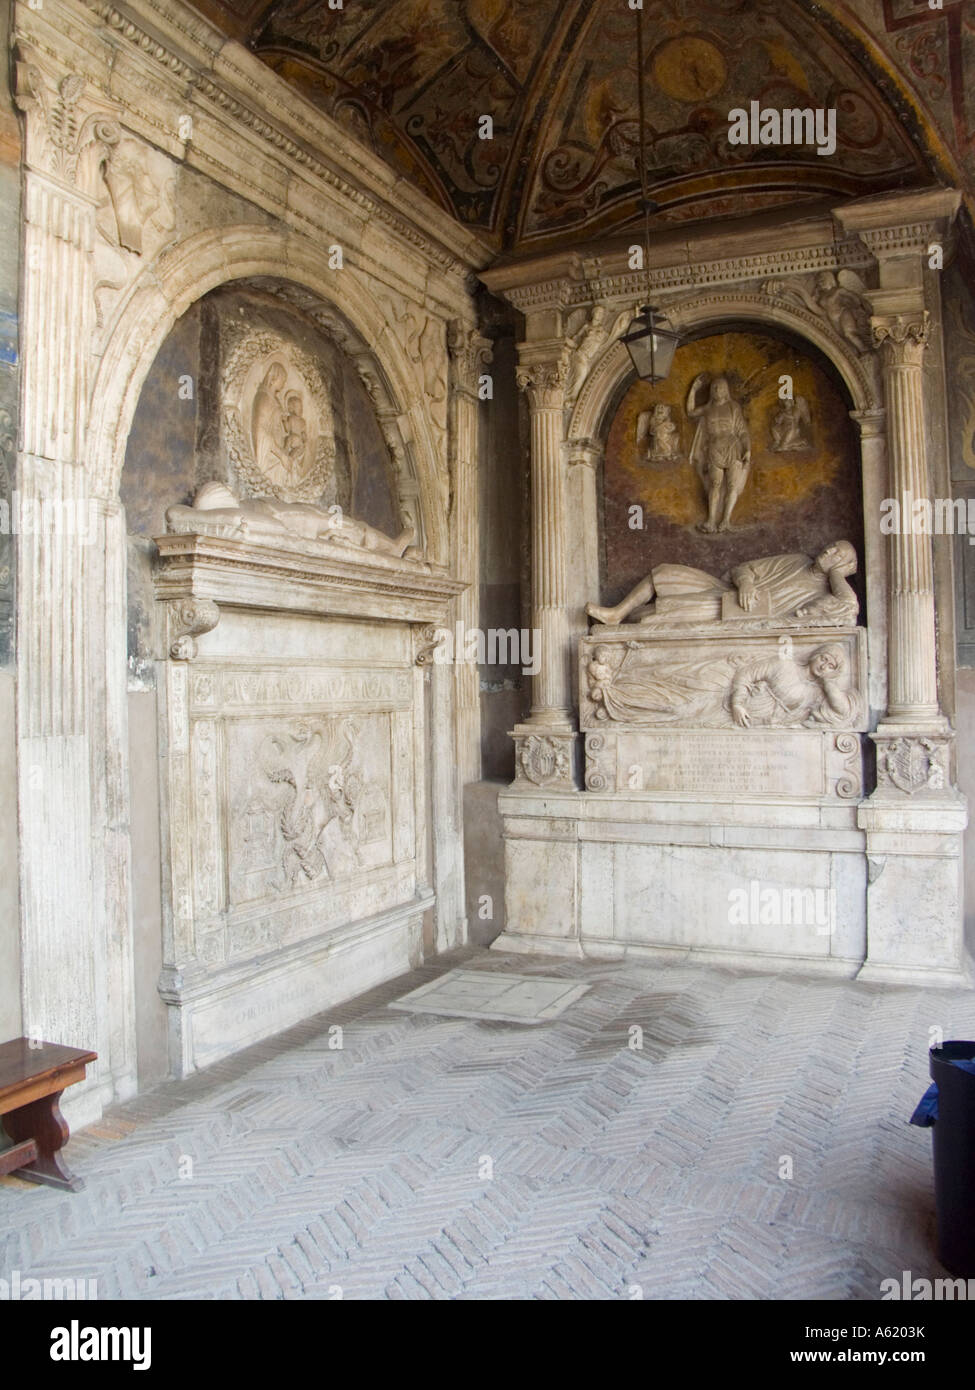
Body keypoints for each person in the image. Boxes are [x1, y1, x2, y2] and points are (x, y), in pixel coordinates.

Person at [586, 540, 859, 627]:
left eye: (837, 555)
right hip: (727, 594)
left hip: (734, 615)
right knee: (666, 572)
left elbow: (849, 608)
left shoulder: (826, 593)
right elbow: (744, 569)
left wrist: (836, 574)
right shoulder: (798, 560)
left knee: (647, 616)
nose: (828, 551)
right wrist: (746, 585)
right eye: (831, 547)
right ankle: (616, 614)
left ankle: (628, 624)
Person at [687, 374, 751, 532]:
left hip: (732, 447)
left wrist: (747, 449)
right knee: (714, 484)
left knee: (731, 485)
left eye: (720, 387)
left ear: (726, 390)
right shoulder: (708, 408)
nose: (717, 389)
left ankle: (726, 521)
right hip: (714, 448)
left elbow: (742, 431)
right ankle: (710, 521)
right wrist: (693, 390)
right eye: (714, 387)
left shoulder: (733, 407)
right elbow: (690, 412)